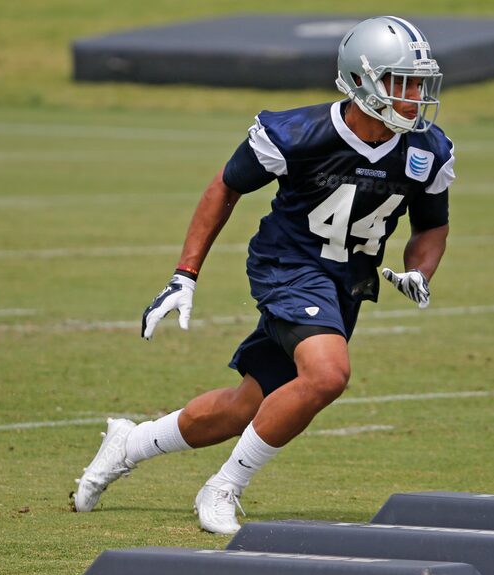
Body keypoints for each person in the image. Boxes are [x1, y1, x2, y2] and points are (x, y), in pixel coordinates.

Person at [72, 15, 455, 534]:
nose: (415, 96)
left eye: (420, 83)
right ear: (363, 82)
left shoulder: (427, 150)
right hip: (289, 268)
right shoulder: (298, 133)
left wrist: (420, 272)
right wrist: (185, 273)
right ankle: (223, 487)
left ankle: (128, 443)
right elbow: (224, 187)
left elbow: (431, 226)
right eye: (402, 82)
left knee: (244, 406)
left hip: (345, 285)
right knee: (327, 374)